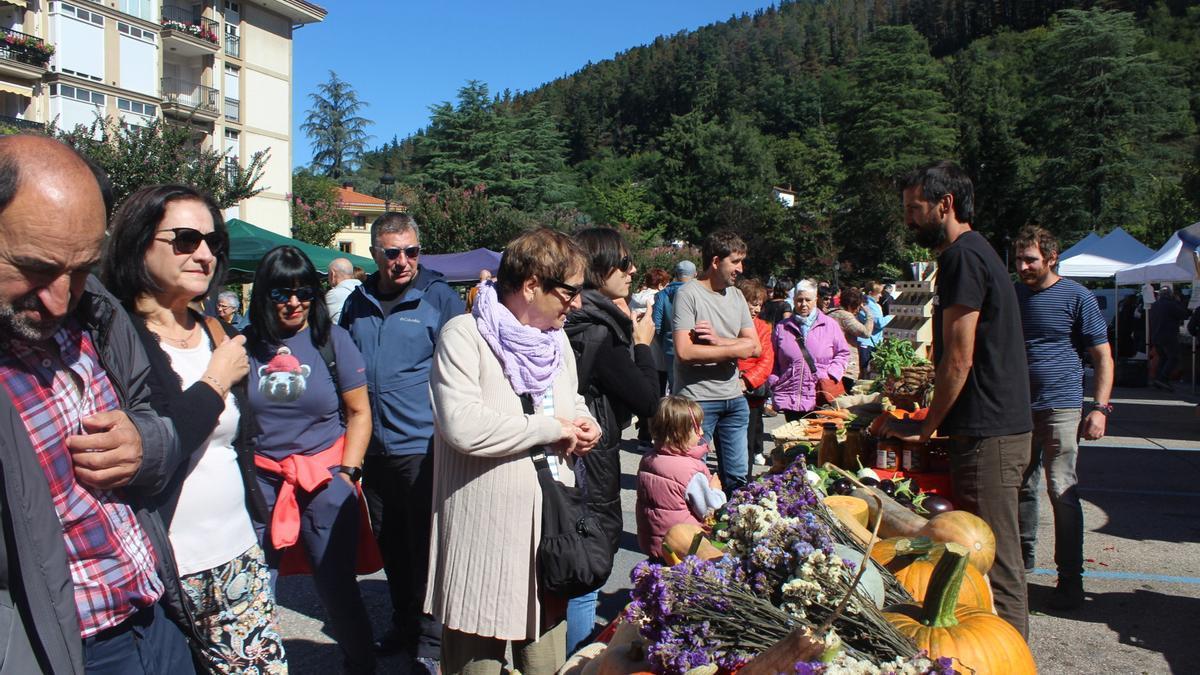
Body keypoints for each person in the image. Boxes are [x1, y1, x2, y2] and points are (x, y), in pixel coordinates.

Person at [0, 135, 193, 672]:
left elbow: (160, 419)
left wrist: (144, 444)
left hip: (153, 619)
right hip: (57, 651)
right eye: (36, 268)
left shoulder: (98, 313)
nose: (60, 299)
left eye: (81, 269)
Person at [101, 184, 286, 671]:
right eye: (185, 239)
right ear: (139, 241)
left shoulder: (213, 330)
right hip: (163, 572)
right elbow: (154, 448)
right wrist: (217, 378)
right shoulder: (114, 336)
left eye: (212, 243)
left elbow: (235, 444)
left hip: (238, 554)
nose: (203, 254)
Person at [425, 228, 599, 674]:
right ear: (531, 284)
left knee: (545, 664)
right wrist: (550, 429)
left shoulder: (557, 341)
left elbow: (570, 399)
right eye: (569, 291)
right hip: (483, 533)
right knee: (475, 664)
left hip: (548, 535)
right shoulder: (464, 335)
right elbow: (463, 426)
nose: (576, 303)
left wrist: (584, 424)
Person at [888, 160, 1032, 638]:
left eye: (915, 208)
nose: (909, 220)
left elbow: (959, 358)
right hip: (996, 423)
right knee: (989, 550)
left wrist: (924, 427)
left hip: (988, 428)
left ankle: (1010, 655)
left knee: (989, 554)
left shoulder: (960, 257)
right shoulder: (979, 250)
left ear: (944, 204)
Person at [338, 212, 464, 665]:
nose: (403, 261)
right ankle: (403, 623)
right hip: (372, 447)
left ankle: (432, 641)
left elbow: (465, 372)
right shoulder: (357, 300)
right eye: (393, 253)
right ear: (375, 254)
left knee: (427, 546)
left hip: (422, 446)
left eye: (411, 251)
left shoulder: (441, 298)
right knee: (389, 541)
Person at [245, 246, 377, 673]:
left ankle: (361, 664)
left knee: (337, 589)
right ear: (264, 295)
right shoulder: (243, 347)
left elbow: (359, 413)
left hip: (324, 482)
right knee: (254, 592)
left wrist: (347, 475)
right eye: (283, 292)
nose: (295, 302)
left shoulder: (332, 341)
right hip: (262, 485)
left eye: (304, 292)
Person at [562, 228, 661, 652]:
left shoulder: (578, 320)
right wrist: (641, 346)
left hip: (573, 451)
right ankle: (576, 658)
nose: (633, 269)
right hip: (592, 455)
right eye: (623, 263)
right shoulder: (599, 333)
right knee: (586, 568)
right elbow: (649, 401)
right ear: (599, 269)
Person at [1012, 225, 1113, 611]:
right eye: (1019, 259)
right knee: (1021, 486)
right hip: (1019, 408)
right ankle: (1020, 567)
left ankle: (1070, 578)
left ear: (1052, 257)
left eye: (1030, 259)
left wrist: (1099, 409)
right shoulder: (1013, 294)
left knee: (1061, 490)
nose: (1022, 266)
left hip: (1061, 408)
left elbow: (1102, 355)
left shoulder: (1077, 297)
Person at [672, 231, 760, 492]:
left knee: (737, 479)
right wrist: (738, 348)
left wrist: (719, 342)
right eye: (735, 261)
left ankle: (731, 530)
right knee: (691, 478)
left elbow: (755, 347)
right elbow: (685, 352)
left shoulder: (736, 296)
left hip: (734, 400)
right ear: (715, 261)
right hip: (697, 402)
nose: (740, 269)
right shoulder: (688, 294)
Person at [635, 395, 727, 561]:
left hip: (654, 542)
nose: (702, 433)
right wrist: (716, 490)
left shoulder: (649, 459)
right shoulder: (690, 470)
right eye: (697, 428)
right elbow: (710, 509)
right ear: (680, 432)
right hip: (684, 546)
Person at [768, 279, 851, 421]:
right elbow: (772, 358)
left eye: (808, 300)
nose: (804, 304)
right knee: (793, 440)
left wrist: (831, 374)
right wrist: (774, 380)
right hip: (790, 394)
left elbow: (843, 353)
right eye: (800, 300)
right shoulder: (782, 327)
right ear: (793, 300)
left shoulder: (830, 325)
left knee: (818, 439)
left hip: (819, 395)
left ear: (815, 299)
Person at [736, 279, 774, 467]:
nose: (757, 309)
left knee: (749, 441)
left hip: (751, 392)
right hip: (728, 387)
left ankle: (745, 483)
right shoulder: (727, 322)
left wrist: (746, 381)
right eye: (754, 304)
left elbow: (766, 361)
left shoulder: (762, 327)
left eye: (760, 304)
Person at [652, 259, 696, 393]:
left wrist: (665, 342)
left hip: (670, 346)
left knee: (675, 387)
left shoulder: (662, 295)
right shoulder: (697, 293)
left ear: (676, 274)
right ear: (695, 274)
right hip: (696, 346)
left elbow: (656, 324)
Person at [828, 287, 874, 388]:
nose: (858, 310)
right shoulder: (845, 316)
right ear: (851, 305)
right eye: (857, 307)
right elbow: (866, 333)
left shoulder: (829, 313)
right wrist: (869, 315)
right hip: (846, 366)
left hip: (830, 362)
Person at [1148, 284, 1191, 390]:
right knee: (1174, 357)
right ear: (1170, 295)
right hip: (1168, 335)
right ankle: (1163, 378)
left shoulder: (1155, 305)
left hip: (1156, 335)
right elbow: (1184, 314)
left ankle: (1158, 379)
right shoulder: (1171, 304)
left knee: (1163, 357)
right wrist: (1178, 301)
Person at [856, 281, 886, 372]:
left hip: (872, 343)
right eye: (879, 293)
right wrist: (893, 316)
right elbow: (879, 323)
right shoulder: (868, 304)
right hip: (866, 343)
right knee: (864, 371)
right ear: (870, 293)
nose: (880, 296)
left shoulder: (874, 305)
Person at [325, 256, 362, 324]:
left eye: (328, 275)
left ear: (333, 275)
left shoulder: (334, 294)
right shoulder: (363, 291)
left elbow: (319, 318)